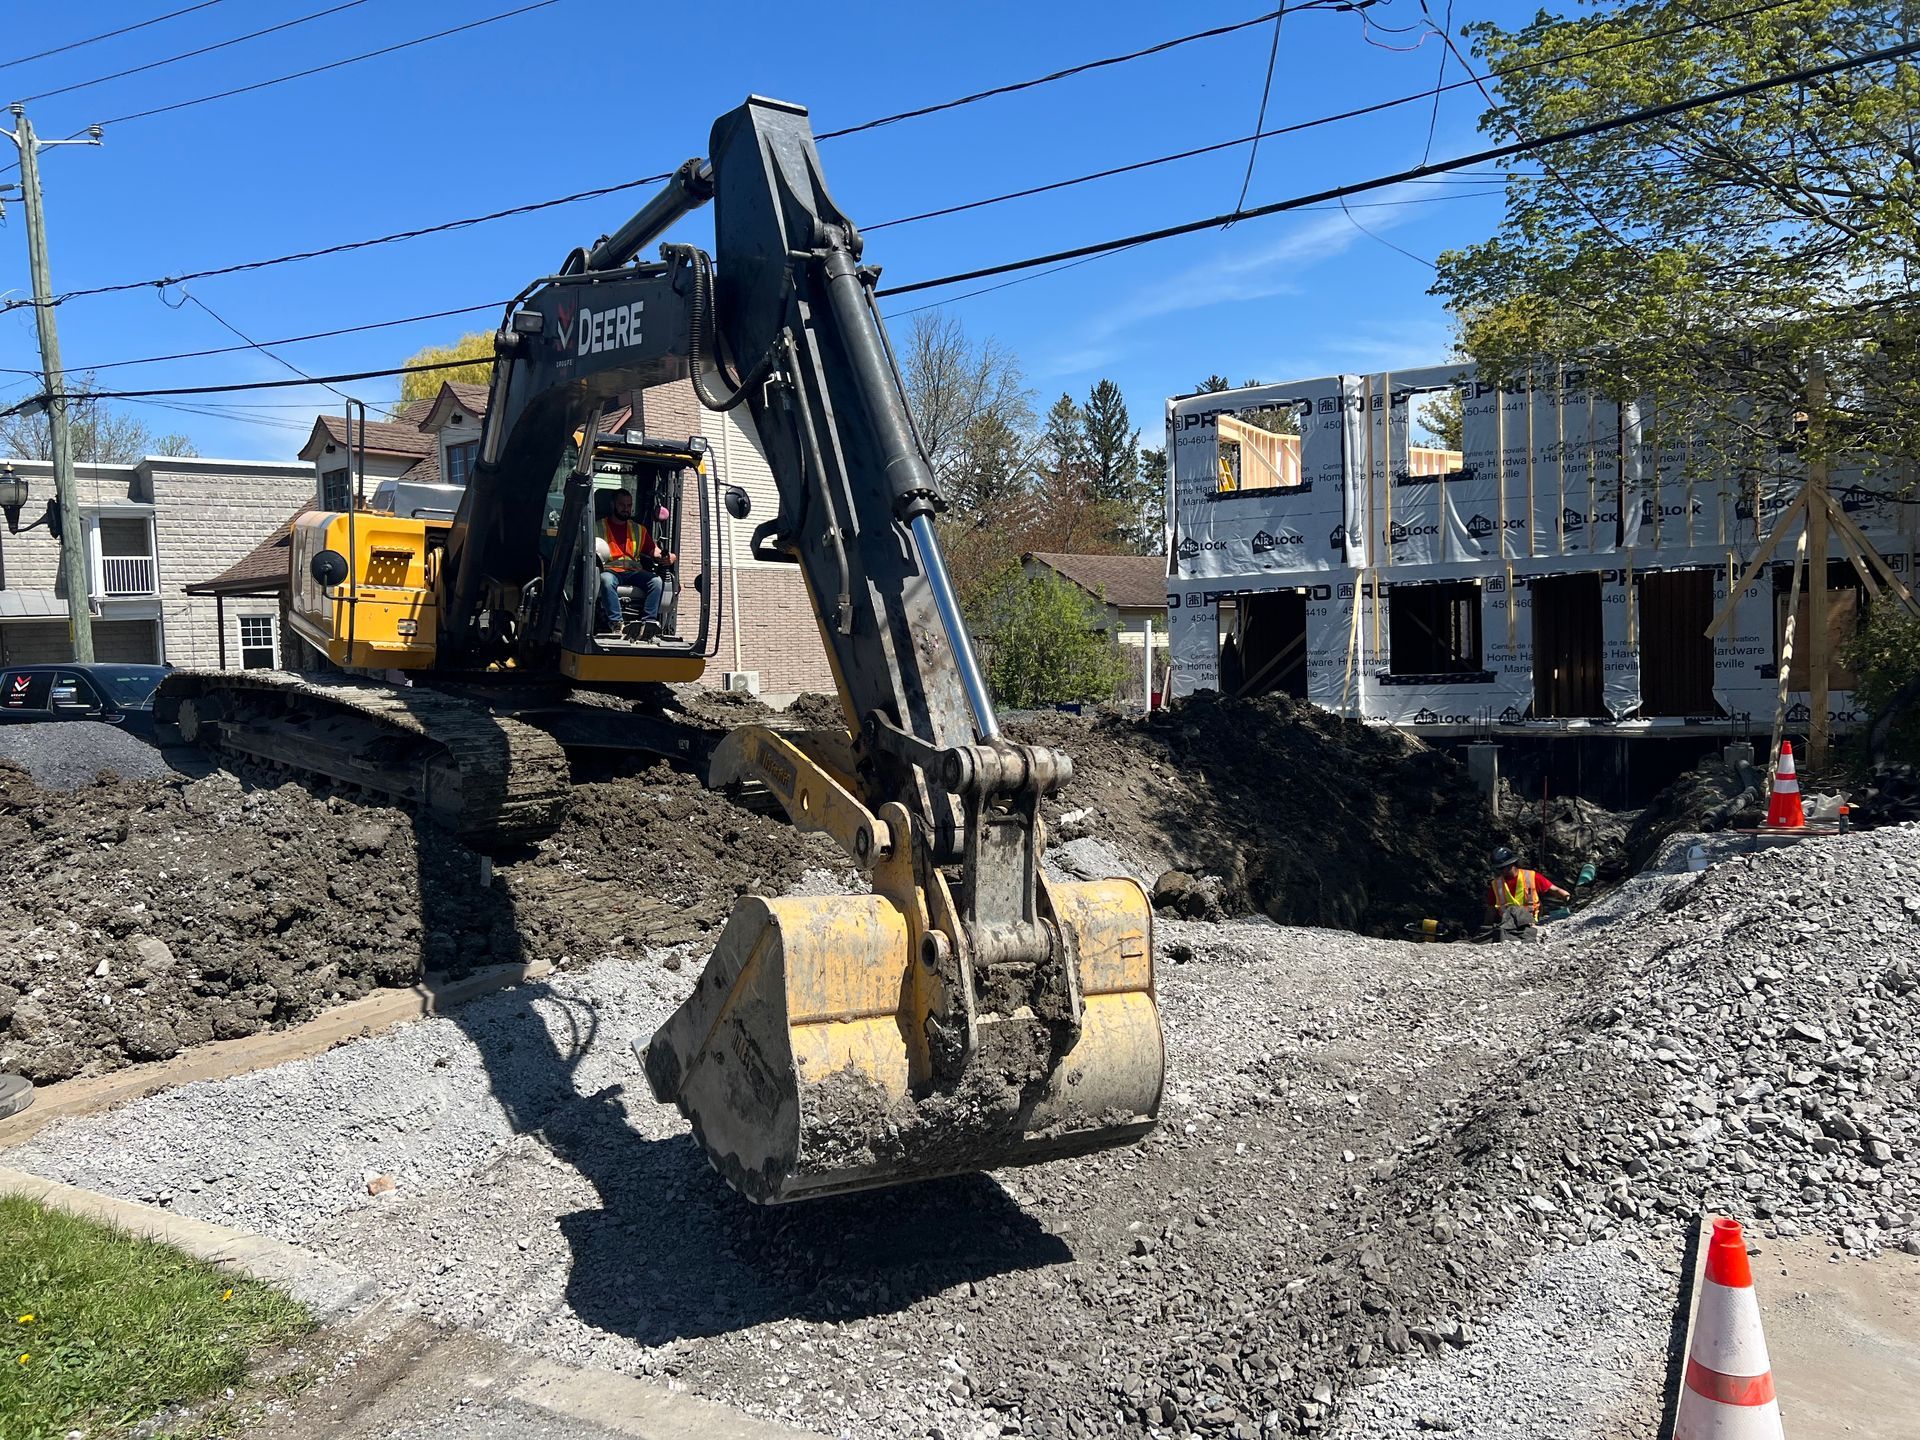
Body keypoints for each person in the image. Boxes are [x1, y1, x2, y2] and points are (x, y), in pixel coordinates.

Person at [595, 488, 675, 639]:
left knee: (656, 581)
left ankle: (648, 623)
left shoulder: (638, 530)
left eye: (629, 505)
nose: (626, 509)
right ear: (613, 505)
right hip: (610, 570)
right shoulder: (597, 527)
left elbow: (654, 551)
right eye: (622, 505)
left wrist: (669, 556)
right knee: (605, 580)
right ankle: (617, 624)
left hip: (633, 572)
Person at [1484, 846, 1570, 942]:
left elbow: (1555, 890)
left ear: (1511, 864)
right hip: (1507, 927)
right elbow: (1491, 909)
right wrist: (1486, 928)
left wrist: (1568, 899)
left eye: (1502, 868)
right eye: (1498, 869)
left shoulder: (1531, 877)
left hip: (1530, 924)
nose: (1500, 871)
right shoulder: (1496, 885)